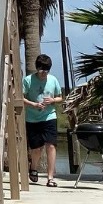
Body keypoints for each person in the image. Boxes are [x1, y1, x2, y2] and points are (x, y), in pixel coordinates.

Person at [22, 53, 62, 187]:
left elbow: (60, 97)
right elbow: (21, 97)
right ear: (37, 68)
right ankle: (33, 167)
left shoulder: (53, 80)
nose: (44, 72)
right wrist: (33, 104)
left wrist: (52, 100)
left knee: (51, 146)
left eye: (47, 70)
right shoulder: (28, 80)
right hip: (32, 118)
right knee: (36, 149)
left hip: (49, 116)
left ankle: (50, 177)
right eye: (41, 69)